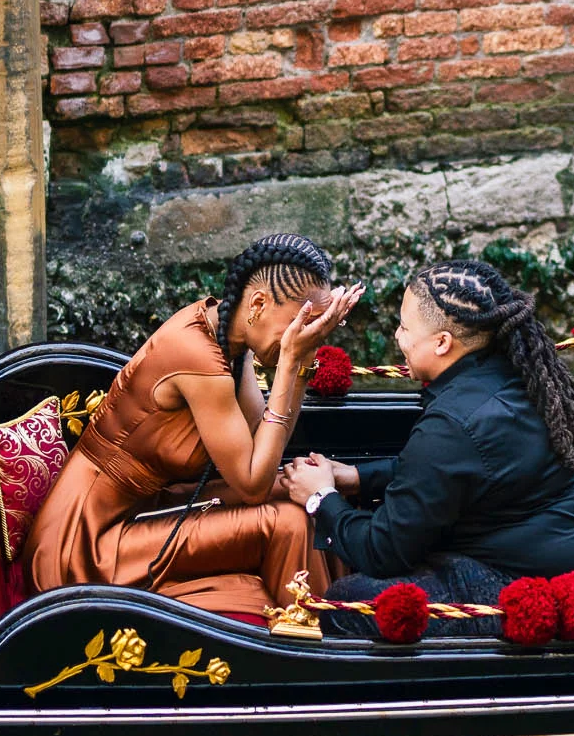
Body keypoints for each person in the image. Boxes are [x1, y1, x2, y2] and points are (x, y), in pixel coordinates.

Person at [279, 259, 574, 636]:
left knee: (349, 602)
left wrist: (319, 498)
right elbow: (450, 471)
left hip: (551, 595)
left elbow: (382, 551)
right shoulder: (521, 373)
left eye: (405, 327)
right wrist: (356, 478)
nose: (398, 336)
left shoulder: (453, 423)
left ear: (443, 343)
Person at [25, 234, 363, 618]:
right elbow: (252, 486)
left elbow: (262, 447)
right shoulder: (197, 354)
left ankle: (331, 619)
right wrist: (289, 364)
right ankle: (311, 643)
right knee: (286, 521)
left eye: (315, 325)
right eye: (301, 323)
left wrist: (301, 360)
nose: (306, 333)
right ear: (258, 304)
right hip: (85, 544)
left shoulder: (229, 339)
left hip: (147, 511)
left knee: (297, 493)